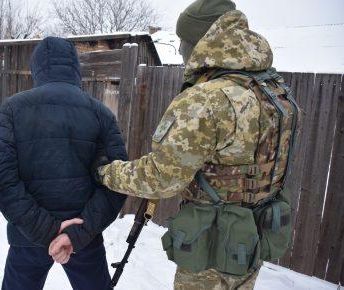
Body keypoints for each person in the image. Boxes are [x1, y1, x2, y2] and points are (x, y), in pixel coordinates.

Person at [88, 0, 299, 289]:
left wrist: (104, 173)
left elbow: (161, 178)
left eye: (183, 42)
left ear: (201, 42)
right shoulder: (272, 90)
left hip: (211, 250)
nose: (182, 50)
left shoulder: (208, 99)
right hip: (250, 240)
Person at [0, 36, 128, 290]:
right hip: (84, 235)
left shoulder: (13, 109)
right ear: (75, 67)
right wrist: (77, 234)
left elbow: (1, 181)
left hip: (29, 236)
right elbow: (117, 182)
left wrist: (47, 230)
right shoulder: (101, 113)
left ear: (36, 68)